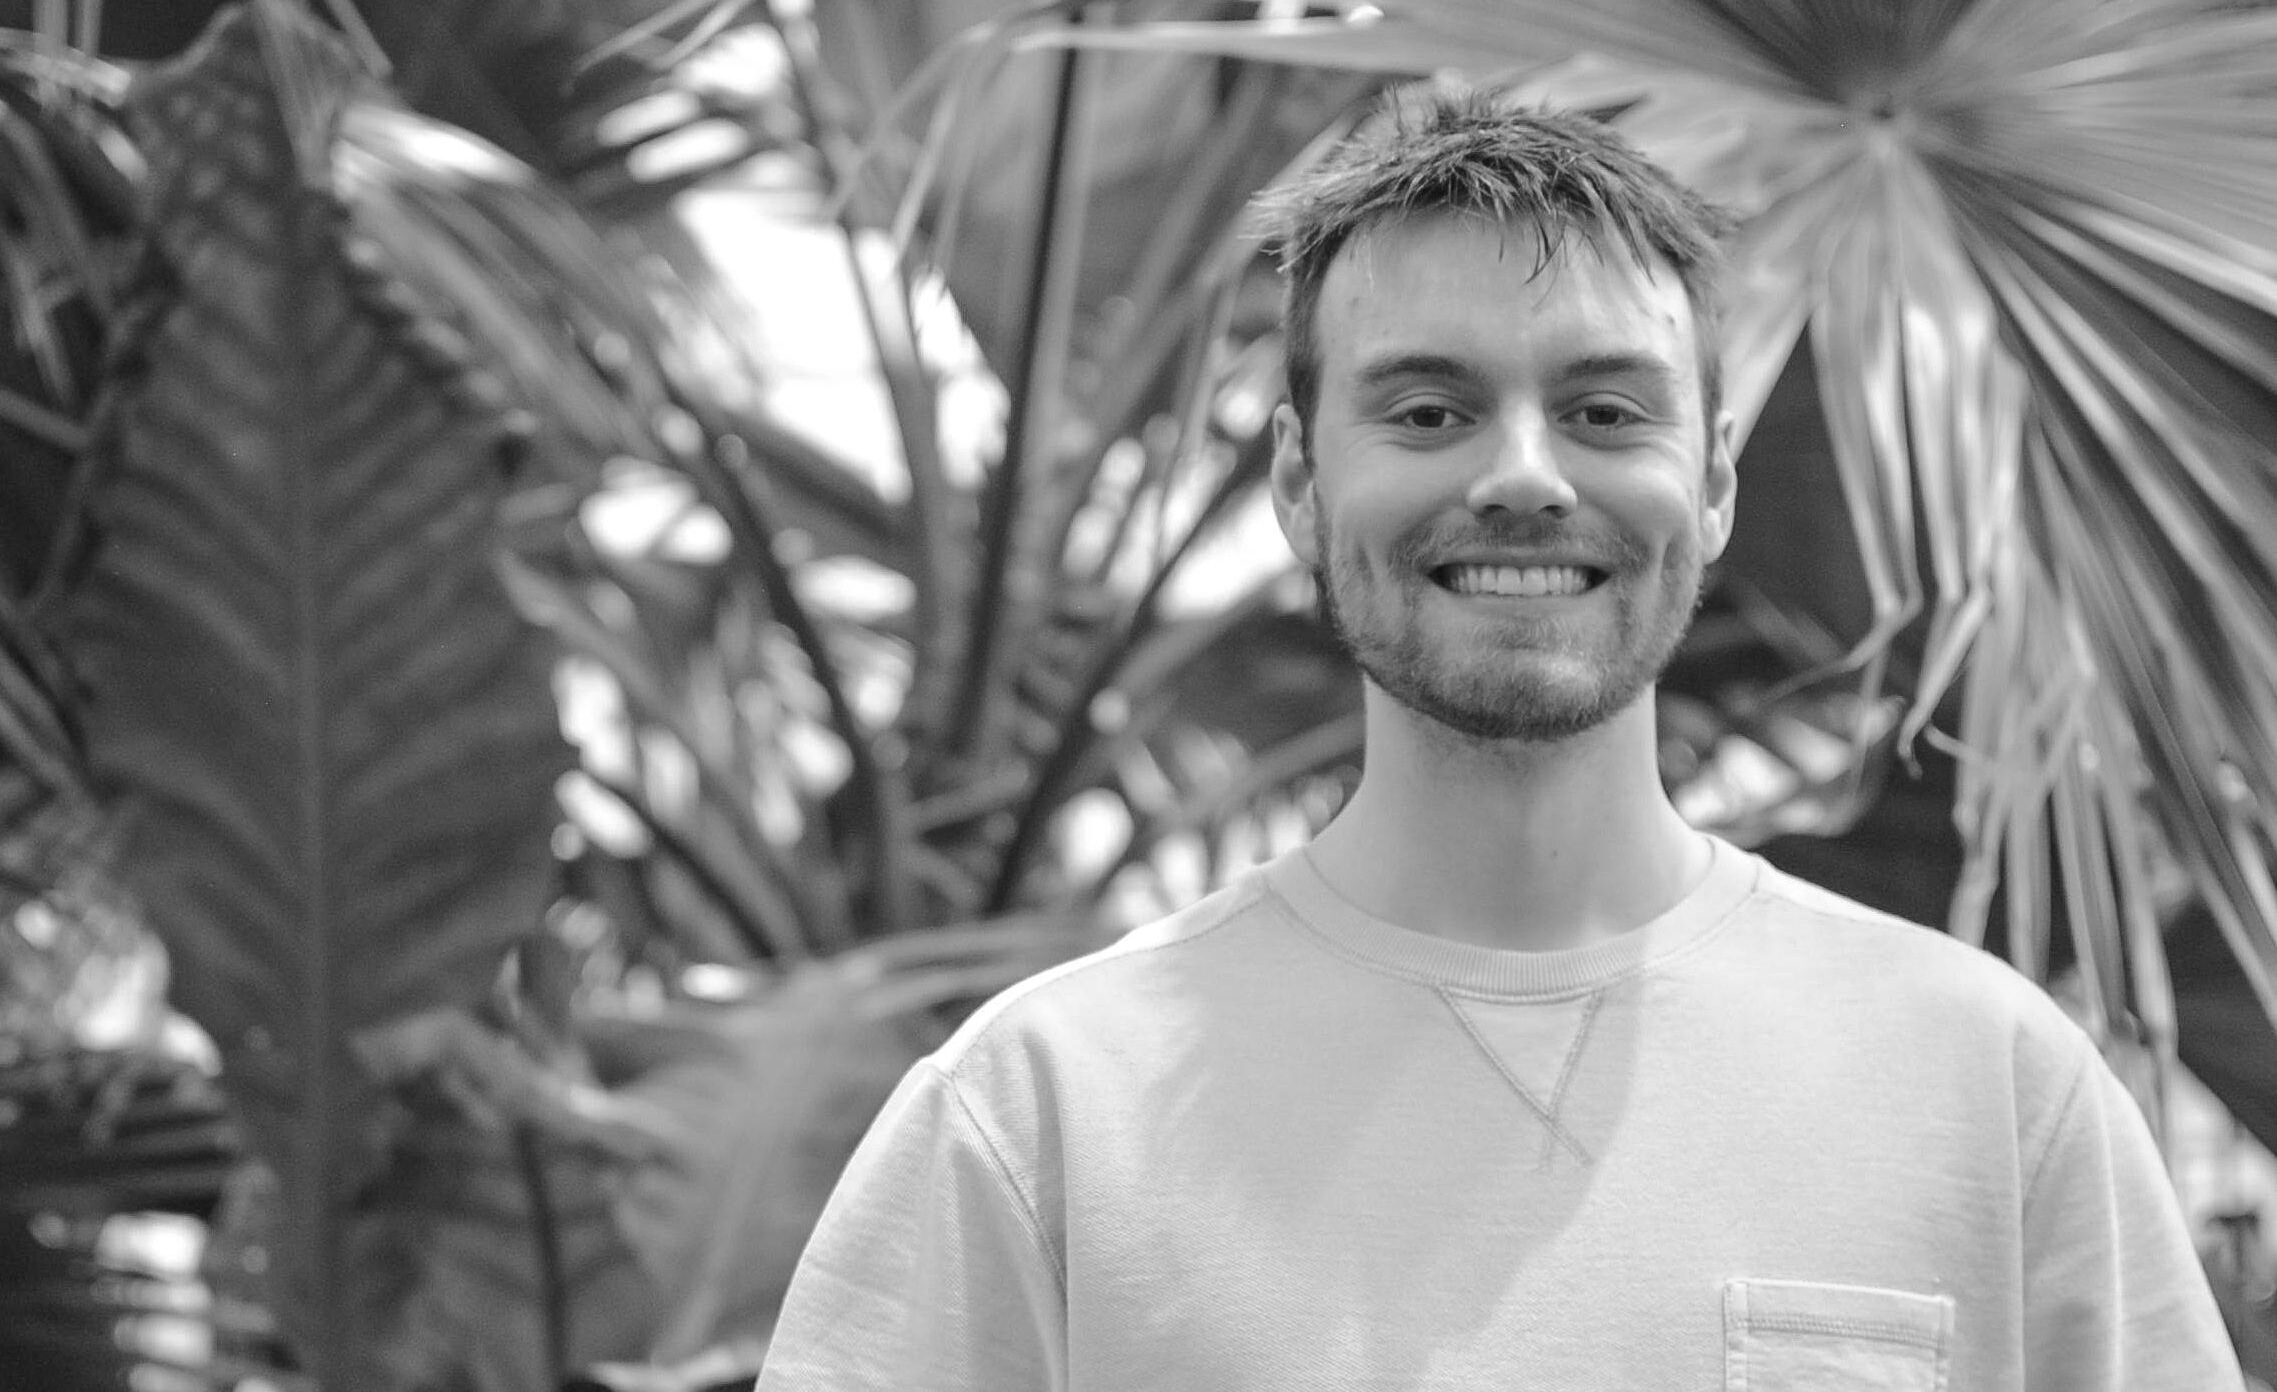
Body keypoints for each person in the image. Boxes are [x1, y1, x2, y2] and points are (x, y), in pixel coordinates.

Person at [754, 85, 2242, 1390]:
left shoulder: (1982, 1086)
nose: (1523, 477)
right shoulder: (1039, 1118)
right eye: (1424, 410)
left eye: (1603, 410)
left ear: (1712, 481)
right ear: (1295, 478)